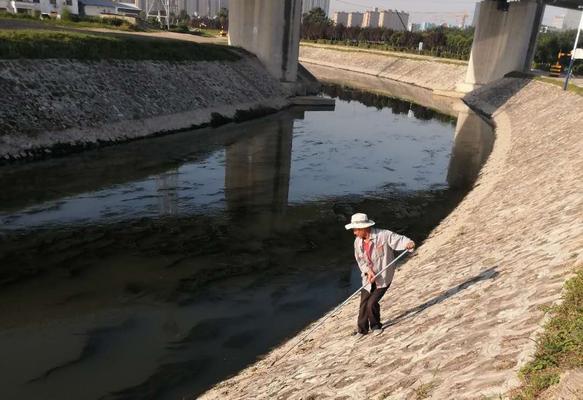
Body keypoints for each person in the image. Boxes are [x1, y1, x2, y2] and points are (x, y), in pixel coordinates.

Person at [345, 213, 415, 337]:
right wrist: (368, 271)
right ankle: (362, 330)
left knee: (371, 303)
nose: (354, 233)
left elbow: (401, 240)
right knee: (363, 304)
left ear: (364, 228)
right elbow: (360, 261)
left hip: (383, 277)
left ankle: (376, 326)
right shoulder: (357, 242)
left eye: (355, 230)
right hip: (368, 278)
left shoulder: (383, 235)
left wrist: (408, 243)